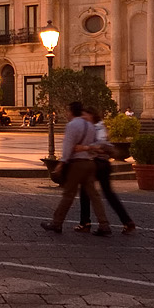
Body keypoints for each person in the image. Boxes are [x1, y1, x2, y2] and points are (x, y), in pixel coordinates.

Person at [42, 101, 110, 236]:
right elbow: (94, 144)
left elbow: (68, 147)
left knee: (68, 194)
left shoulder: (72, 125)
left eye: (68, 111)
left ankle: (57, 223)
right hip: (89, 163)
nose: (66, 114)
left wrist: (62, 163)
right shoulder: (90, 125)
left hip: (77, 164)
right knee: (94, 196)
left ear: (72, 111)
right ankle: (104, 224)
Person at [76, 107, 137, 235]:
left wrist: (85, 147)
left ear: (91, 115)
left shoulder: (97, 127)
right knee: (104, 193)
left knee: (92, 192)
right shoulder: (97, 126)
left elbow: (101, 143)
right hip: (101, 163)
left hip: (98, 164)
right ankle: (126, 221)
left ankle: (88, 223)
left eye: (85, 115)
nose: (83, 118)